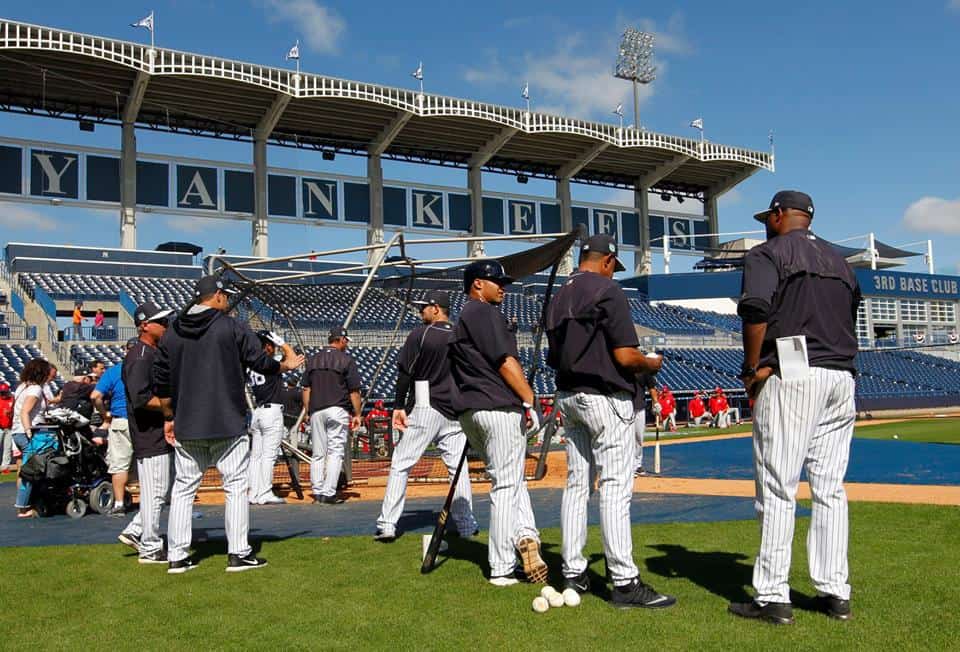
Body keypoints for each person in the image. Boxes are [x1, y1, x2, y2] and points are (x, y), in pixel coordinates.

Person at [728, 190, 860, 624]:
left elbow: (756, 309)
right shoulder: (841, 262)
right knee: (830, 489)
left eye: (770, 215)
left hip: (793, 370)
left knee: (778, 486)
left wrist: (751, 368)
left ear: (782, 215)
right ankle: (834, 592)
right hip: (841, 375)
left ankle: (771, 596)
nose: (767, 222)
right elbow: (850, 313)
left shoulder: (768, 253)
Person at [546, 234, 675, 609]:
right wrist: (650, 363)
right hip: (605, 398)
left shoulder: (559, 294)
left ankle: (573, 572)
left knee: (576, 486)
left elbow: (555, 356)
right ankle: (624, 581)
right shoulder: (607, 290)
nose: (613, 273)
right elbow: (624, 355)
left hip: (568, 396)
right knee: (616, 488)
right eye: (613, 267)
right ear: (607, 261)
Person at [154, 275, 303, 574]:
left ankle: (178, 556)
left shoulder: (172, 333)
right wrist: (284, 366)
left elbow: (161, 381)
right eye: (225, 296)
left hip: (188, 422)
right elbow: (260, 361)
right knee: (235, 486)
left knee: (183, 488)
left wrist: (169, 417)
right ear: (218, 296)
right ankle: (238, 553)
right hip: (227, 420)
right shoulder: (230, 326)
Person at [450, 259, 547, 587]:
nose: (503, 287)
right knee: (506, 486)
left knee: (510, 481)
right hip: (496, 406)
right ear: (477, 284)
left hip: (470, 411)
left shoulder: (464, 316)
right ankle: (502, 566)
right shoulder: (483, 312)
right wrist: (530, 399)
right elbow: (505, 362)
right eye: (497, 282)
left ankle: (526, 536)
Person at [374, 290, 478, 542]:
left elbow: (405, 373)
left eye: (424, 307)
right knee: (458, 469)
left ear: (436, 309)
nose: (421, 312)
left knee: (401, 462)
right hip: (455, 408)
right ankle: (466, 525)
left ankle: (388, 524)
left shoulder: (422, 334)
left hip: (427, 402)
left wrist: (399, 405)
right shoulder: (461, 335)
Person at [116, 303, 174, 564]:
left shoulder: (150, 352)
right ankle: (150, 547)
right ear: (144, 325)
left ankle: (137, 530)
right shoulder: (140, 355)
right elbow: (141, 398)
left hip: (156, 432)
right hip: (148, 433)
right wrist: (171, 407)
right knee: (155, 492)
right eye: (160, 322)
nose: (166, 325)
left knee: (161, 490)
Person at [300, 327, 361, 504]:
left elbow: (305, 388)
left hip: (316, 410)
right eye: (346, 340)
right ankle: (328, 492)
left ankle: (317, 492)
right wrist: (357, 414)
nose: (347, 343)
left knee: (318, 453)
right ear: (340, 339)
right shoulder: (346, 360)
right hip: (338, 409)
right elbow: (354, 391)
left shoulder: (313, 360)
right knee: (335, 453)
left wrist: (308, 411)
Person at [247, 330, 298, 505]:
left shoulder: (250, 363)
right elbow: (292, 361)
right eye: (272, 346)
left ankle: (253, 493)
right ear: (267, 346)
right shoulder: (269, 361)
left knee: (255, 456)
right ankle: (265, 492)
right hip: (271, 412)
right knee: (268, 456)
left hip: (258, 412)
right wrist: (282, 343)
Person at [92, 343, 138, 516]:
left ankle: (119, 504)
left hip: (120, 421)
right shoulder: (151, 366)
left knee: (119, 465)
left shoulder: (114, 371)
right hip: (143, 421)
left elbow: (95, 396)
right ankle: (155, 501)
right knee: (149, 462)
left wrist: (105, 415)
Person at [11, 358, 56, 518]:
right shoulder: (35, 389)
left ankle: (24, 503)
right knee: (30, 472)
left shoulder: (22, 387)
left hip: (17, 431)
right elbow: (25, 412)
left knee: (25, 470)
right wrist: (29, 432)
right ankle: (24, 508)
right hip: (28, 432)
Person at [633, 372, 659, 477]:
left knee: (639, 437)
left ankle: (637, 465)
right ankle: (628, 466)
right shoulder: (621, 365)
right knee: (625, 438)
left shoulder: (643, 369)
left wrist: (656, 402)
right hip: (622, 406)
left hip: (639, 407)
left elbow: (651, 387)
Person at [0, 383, 14, 473]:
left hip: (9, 427)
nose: (3, 394)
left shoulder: (12, 399)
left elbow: (15, 413)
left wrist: (10, 413)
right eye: (2, 392)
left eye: (5, 392)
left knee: (7, 447)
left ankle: (5, 467)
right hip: (0, 427)